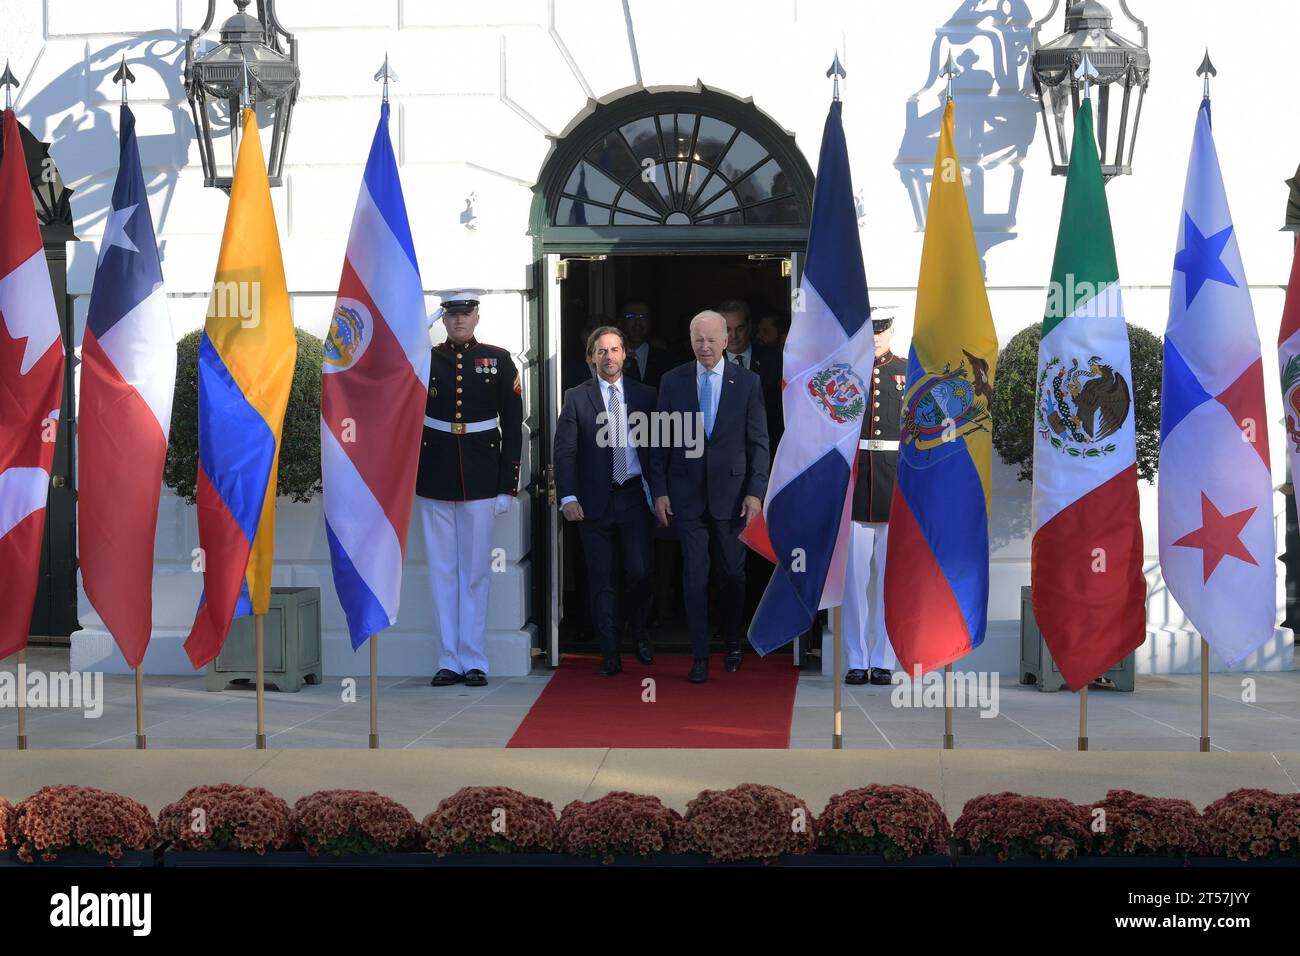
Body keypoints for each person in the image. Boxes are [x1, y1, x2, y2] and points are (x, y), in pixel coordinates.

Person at [649, 310, 769, 684]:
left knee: (732, 574)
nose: (704, 346)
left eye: (711, 339)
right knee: (694, 576)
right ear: (690, 340)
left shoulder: (747, 382)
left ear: (725, 341)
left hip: (732, 497)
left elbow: (759, 443)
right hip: (686, 496)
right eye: (698, 339)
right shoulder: (673, 380)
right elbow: (660, 442)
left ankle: (732, 641)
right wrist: (661, 491)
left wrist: (755, 492)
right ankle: (699, 654)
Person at [416, 289, 523, 688]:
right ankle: (448, 659)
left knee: (475, 572)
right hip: (435, 474)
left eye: (466, 313)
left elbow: (513, 428)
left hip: (481, 475)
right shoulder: (425, 359)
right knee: (442, 572)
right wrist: (414, 330)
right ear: (443, 319)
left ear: (477, 315)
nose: (459, 321)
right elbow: (388, 376)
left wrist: (506, 486)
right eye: (451, 314)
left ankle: (474, 658)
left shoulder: (498, 360)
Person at [554, 326, 657, 675]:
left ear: (625, 354)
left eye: (615, 350)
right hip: (595, 502)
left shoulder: (646, 396)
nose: (609, 357)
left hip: (634, 497)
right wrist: (568, 496)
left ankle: (639, 631)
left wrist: (662, 494)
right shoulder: (576, 397)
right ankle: (610, 651)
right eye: (601, 351)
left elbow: (659, 451)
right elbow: (565, 453)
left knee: (640, 571)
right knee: (602, 578)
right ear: (590, 358)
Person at [843, 308, 904, 686]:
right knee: (853, 580)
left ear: (892, 330)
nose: (877, 336)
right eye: (871, 330)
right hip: (857, 481)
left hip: (894, 480)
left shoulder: (907, 369)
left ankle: (883, 658)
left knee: (889, 580)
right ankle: (855, 657)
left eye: (882, 330)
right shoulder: (848, 371)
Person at [718, 298, 783, 448]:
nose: (733, 336)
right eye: (727, 329)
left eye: (739, 328)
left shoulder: (775, 360)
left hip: (768, 449)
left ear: (750, 326)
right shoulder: (706, 365)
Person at [619, 300, 675, 389]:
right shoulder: (610, 358)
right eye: (631, 316)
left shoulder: (666, 360)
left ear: (650, 322)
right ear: (621, 322)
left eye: (643, 317)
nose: (638, 323)